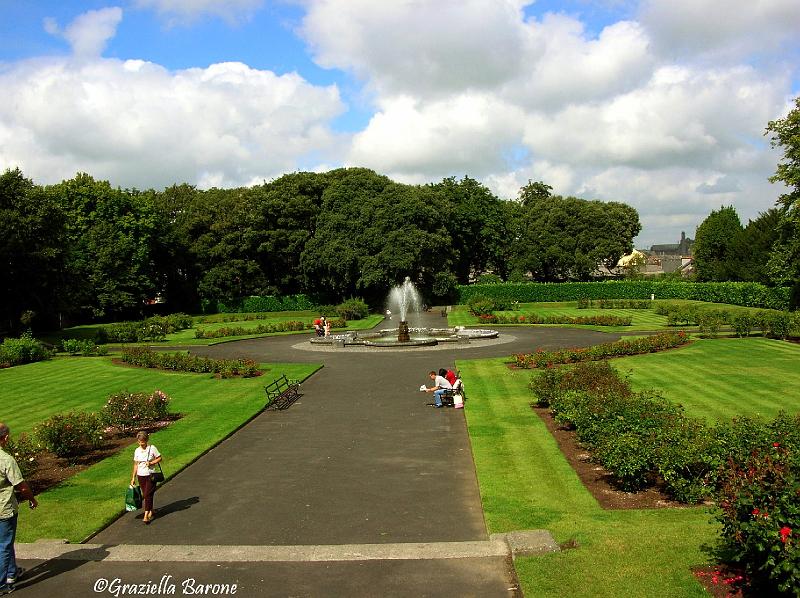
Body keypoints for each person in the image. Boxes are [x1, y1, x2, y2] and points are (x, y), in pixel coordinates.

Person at [0, 423, 38, 595]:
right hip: (4, 508)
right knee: (5, 545)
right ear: (5, 438)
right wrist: (32, 499)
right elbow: (21, 485)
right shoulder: (6, 459)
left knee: (4, 543)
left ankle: (12, 572)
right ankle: (2, 584)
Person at [130, 431, 162, 524]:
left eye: (143, 442)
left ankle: (146, 515)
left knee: (147, 495)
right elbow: (135, 464)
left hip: (150, 475)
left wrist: (151, 463)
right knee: (147, 494)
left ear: (146, 440)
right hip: (141, 475)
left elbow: (160, 458)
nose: (141, 444)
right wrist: (133, 478)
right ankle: (151, 509)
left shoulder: (152, 448)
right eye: (139, 442)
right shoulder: (137, 451)